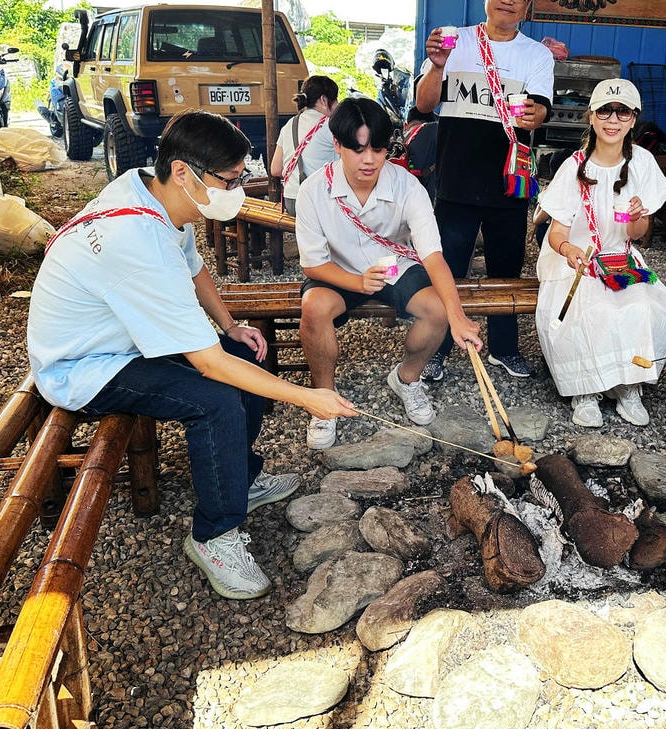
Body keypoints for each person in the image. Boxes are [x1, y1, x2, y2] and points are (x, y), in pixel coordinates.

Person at [27, 110, 355, 601]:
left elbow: (195, 266)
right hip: (83, 365)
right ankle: (214, 535)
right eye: (229, 179)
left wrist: (230, 326)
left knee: (244, 351)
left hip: (122, 337)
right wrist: (309, 397)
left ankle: (238, 479)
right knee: (216, 399)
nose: (236, 190)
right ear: (182, 171)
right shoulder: (139, 243)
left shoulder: (150, 191)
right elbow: (209, 366)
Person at [296, 97, 483, 450]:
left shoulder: (407, 185)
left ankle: (406, 379)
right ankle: (323, 399)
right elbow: (312, 264)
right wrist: (357, 282)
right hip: (337, 268)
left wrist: (458, 316)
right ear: (337, 145)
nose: (369, 160)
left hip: (392, 265)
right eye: (358, 149)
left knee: (438, 310)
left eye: (378, 149)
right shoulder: (313, 190)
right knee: (314, 307)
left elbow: (432, 255)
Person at [416, 0, 555, 382]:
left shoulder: (536, 55)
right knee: (448, 267)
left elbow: (541, 110)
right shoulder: (453, 41)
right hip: (456, 178)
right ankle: (438, 348)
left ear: (528, 5)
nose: (507, 1)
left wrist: (534, 115)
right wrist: (438, 65)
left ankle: (504, 349)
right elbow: (424, 104)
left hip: (509, 180)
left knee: (506, 268)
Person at [535, 78, 666, 428]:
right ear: (591, 116)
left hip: (619, 255)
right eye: (605, 111)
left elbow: (637, 234)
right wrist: (569, 250)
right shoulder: (574, 166)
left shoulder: (642, 162)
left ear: (633, 119)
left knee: (648, 307)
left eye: (622, 112)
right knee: (590, 308)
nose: (613, 120)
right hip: (574, 259)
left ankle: (627, 385)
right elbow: (557, 233)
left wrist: (638, 216)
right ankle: (585, 390)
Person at [270, 75, 340, 215]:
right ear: (324, 100)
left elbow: (275, 169)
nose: (338, 104)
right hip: (318, 202)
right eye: (336, 99)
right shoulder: (331, 126)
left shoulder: (290, 124)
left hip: (291, 201)